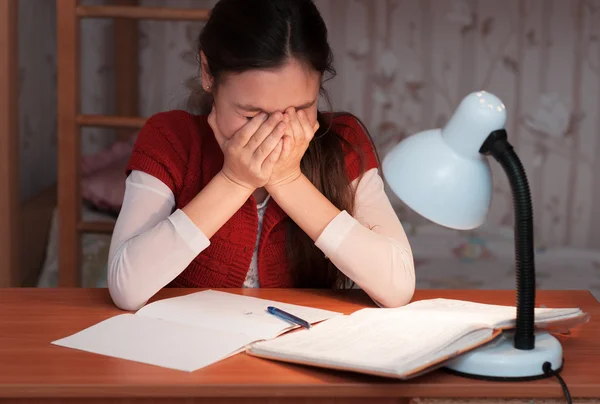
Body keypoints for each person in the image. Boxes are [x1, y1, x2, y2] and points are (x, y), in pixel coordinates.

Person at [107, 0, 415, 311]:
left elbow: (397, 287)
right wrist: (234, 180)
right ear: (207, 73)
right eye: (251, 114)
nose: (276, 131)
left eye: (299, 110)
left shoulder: (342, 141)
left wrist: (287, 179)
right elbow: (126, 288)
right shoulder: (170, 137)